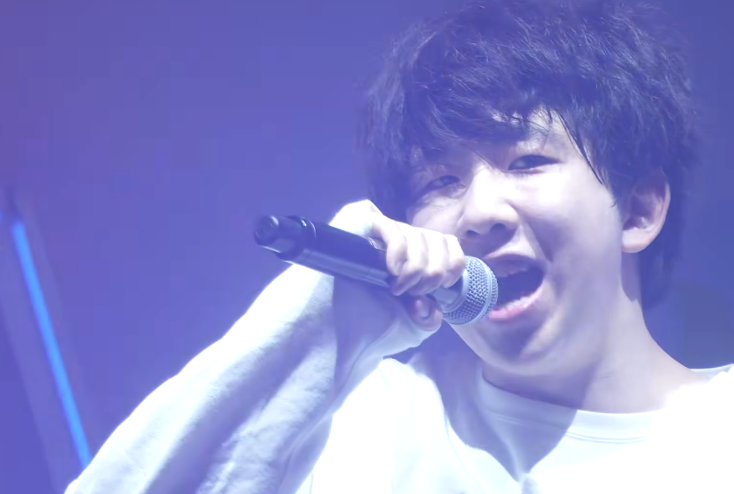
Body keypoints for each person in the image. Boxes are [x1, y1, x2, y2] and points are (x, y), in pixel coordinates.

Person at [65, 1, 733, 493]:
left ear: (638, 210)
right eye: (441, 181)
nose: (478, 213)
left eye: (527, 160)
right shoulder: (365, 422)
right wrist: (327, 321)